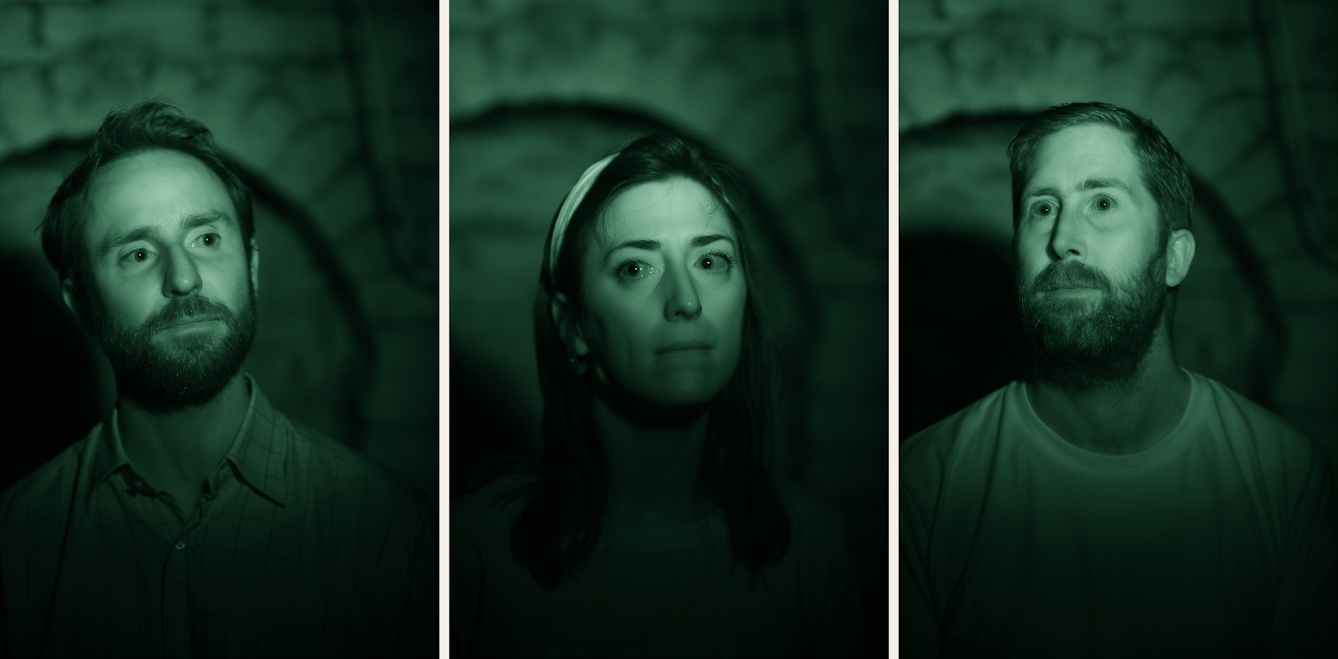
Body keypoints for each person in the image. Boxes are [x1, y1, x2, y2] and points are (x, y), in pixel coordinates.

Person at [900, 101, 1338, 657]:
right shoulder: (924, 484)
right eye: (1041, 208)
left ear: (1173, 258)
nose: (1062, 240)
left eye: (1102, 202)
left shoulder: (1287, 476)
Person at [0, 100, 436, 657]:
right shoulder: (18, 543)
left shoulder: (390, 529)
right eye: (137, 253)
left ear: (250, 265)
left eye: (206, 240)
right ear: (80, 300)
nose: (183, 278)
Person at [450, 132, 860, 658]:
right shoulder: (469, 555)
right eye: (635, 268)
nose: (686, 300)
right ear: (571, 324)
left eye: (711, 262)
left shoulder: (813, 546)